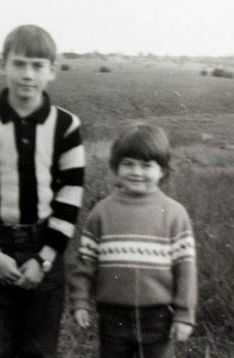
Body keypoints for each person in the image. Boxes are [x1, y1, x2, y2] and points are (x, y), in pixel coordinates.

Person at [0, 24, 85, 358]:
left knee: (39, 350)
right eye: (20, 64)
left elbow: (70, 196)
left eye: (38, 66)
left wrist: (44, 259)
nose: (27, 74)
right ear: (3, 65)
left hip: (45, 252)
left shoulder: (67, 126)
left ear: (52, 71)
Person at [69, 123, 197, 358]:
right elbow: (85, 263)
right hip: (112, 316)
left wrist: (184, 314)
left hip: (158, 317)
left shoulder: (175, 214)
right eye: (128, 164)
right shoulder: (101, 212)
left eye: (146, 165)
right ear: (116, 168)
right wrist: (80, 301)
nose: (136, 172)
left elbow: (186, 270)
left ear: (162, 171)